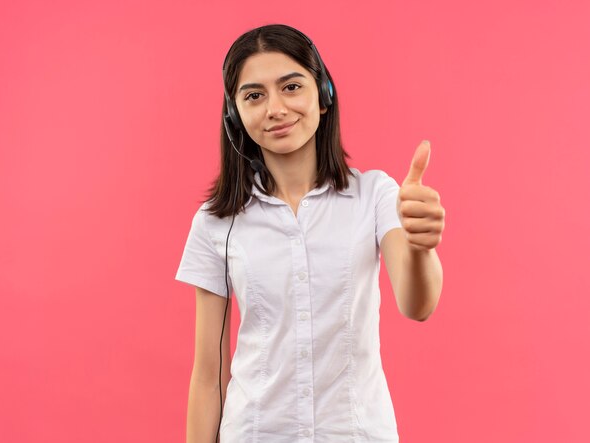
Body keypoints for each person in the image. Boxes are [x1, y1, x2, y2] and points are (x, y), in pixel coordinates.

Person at [176, 24, 445, 443]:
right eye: (254, 95)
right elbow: (208, 377)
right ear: (235, 115)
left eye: (291, 87)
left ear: (324, 96)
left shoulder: (375, 195)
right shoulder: (216, 221)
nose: (276, 108)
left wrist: (421, 247)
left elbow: (417, 305)